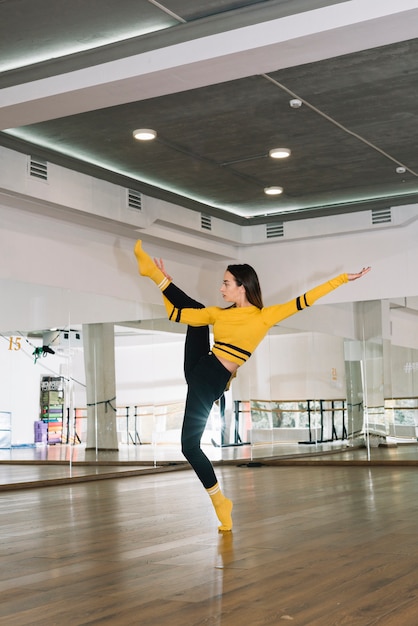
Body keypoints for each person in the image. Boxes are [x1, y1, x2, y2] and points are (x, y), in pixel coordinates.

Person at [134, 240, 371, 532]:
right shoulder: (220, 314)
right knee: (196, 311)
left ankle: (220, 502)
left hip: (210, 380)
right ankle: (152, 273)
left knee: (189, 446)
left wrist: (342, 279)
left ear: (241, 287)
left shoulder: (263, 317)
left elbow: (305, 300)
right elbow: (178, 314)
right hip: (200, 366)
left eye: (226, 283)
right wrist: (163, 284)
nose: (221, 289)